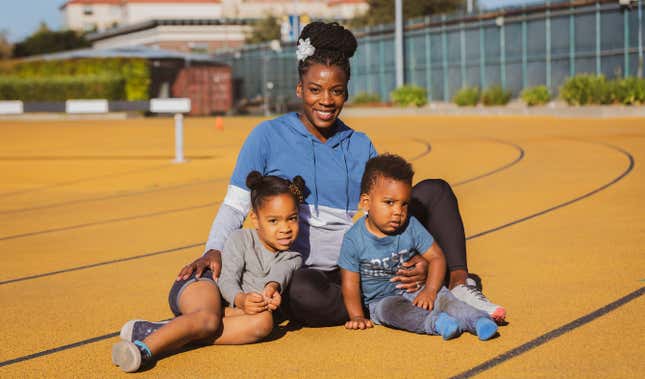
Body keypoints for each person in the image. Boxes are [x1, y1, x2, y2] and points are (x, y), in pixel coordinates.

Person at [176, 21, 505, 329]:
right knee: (303, 293)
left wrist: (418, 256)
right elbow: (235, 206)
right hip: (315, 272)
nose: (326, 101)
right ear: (300, 88)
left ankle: (458, 282)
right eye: (315, 89)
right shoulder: (266, 136)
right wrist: (214, 248)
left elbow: (384, 210)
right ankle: (379, 300)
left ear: (346, 92)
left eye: (336, 91)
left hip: (366, 258)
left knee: (436, 190)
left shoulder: (360, 144)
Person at [111, 172, 305, 372]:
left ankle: (165, 331)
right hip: (205, 282)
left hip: (226, 309)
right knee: (209, 319)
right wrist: (240, 299)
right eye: (274, 221)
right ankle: (143, 350)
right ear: (255, 219)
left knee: (264, 322)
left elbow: (279, 275)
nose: (285, 228)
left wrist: (270, 290)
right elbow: (227, 280)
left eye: (292, 219)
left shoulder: (293, 257)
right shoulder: (241, 239)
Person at [338, 154, 498, 340]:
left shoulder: (411, 226)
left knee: (445, 298)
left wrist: (430, 290)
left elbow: (436, 257)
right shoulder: (354, 239)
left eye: (404, 204)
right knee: (392, 312)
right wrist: (356, 316)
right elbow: (350, 283)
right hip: (383, 300)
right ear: (366, 203)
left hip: (418, 288)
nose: (398, 211)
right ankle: (438, 323)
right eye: (389, 202)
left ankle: (478, 320)